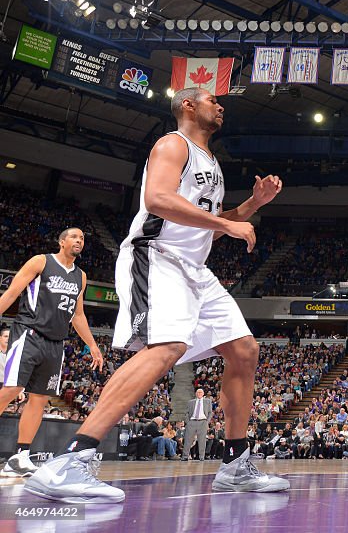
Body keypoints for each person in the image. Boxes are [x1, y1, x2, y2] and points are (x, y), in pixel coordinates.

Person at [25, 87, 287, 502]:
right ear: (187, 106)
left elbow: (210, 221)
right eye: (211, 100)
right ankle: (71, 460)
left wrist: (251, 205)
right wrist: (226, 226)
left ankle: (236, 464)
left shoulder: (212, 163)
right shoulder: (172, 144)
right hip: (157, 254)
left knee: (243, 350)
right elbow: (158, 199)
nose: (220, 106)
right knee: (165, 348)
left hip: (194, 268)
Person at [0, 228, 103, 478]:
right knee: (12, 389)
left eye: (82, 238)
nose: (79, 240)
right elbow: (13, 292)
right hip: (29, 333)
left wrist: (92, 345)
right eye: (74, 237)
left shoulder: (81, 276)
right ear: (62, 241)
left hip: (56, 343)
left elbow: (77, 315)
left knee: (39, 398)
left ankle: (20, 457)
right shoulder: (41, 261)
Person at [182, 388, 212, 461]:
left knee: (202, 440)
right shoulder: (190, 402)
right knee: (188, 440)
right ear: (196, 393)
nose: (199, 394)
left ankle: (201, 456)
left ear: (203, 394)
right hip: (192, 421)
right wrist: (188, 422)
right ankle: (185, 456)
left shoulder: (208, 401)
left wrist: (207, 421)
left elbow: (210, 412)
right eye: (198, 392)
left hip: (203, 422)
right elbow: (186, 413)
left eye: (200, 392)